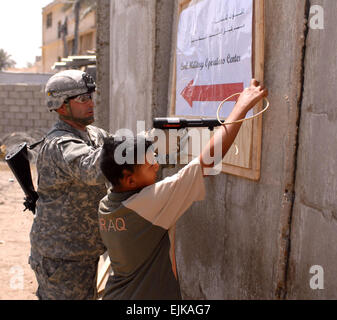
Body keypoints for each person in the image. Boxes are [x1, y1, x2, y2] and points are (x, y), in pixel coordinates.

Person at [98, 79, 268, 300]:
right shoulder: (149, 204)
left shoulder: (107, 204)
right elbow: (207, 161)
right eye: (150, 165)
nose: (157, 166)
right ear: (129, 180)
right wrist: (242, 106)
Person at [29, 69, 111, 300]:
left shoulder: (93, 135)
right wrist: (144, 140)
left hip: (83, 251)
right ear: (61, 106)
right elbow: (93, 168)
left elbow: (118, 150)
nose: (91, 103)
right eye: (83, 99)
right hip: (62, 257)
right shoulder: (59, 143)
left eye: (91, 96)